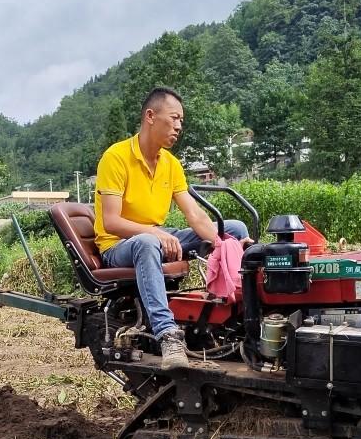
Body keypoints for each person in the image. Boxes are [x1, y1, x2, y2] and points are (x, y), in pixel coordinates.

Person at [95, 87, 249, 370]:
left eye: (182, 121)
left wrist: (222, 241)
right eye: (174, 118)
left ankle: (233, 317)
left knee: (235, 228)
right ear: (151, 116)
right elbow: (111, 222)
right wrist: (154, 233)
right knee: (146, 242)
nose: (179, 126)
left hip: (156, 236)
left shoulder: (171, 164)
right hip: (118, 246)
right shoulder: (115, 158)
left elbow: (195, 215)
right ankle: (168, 336)